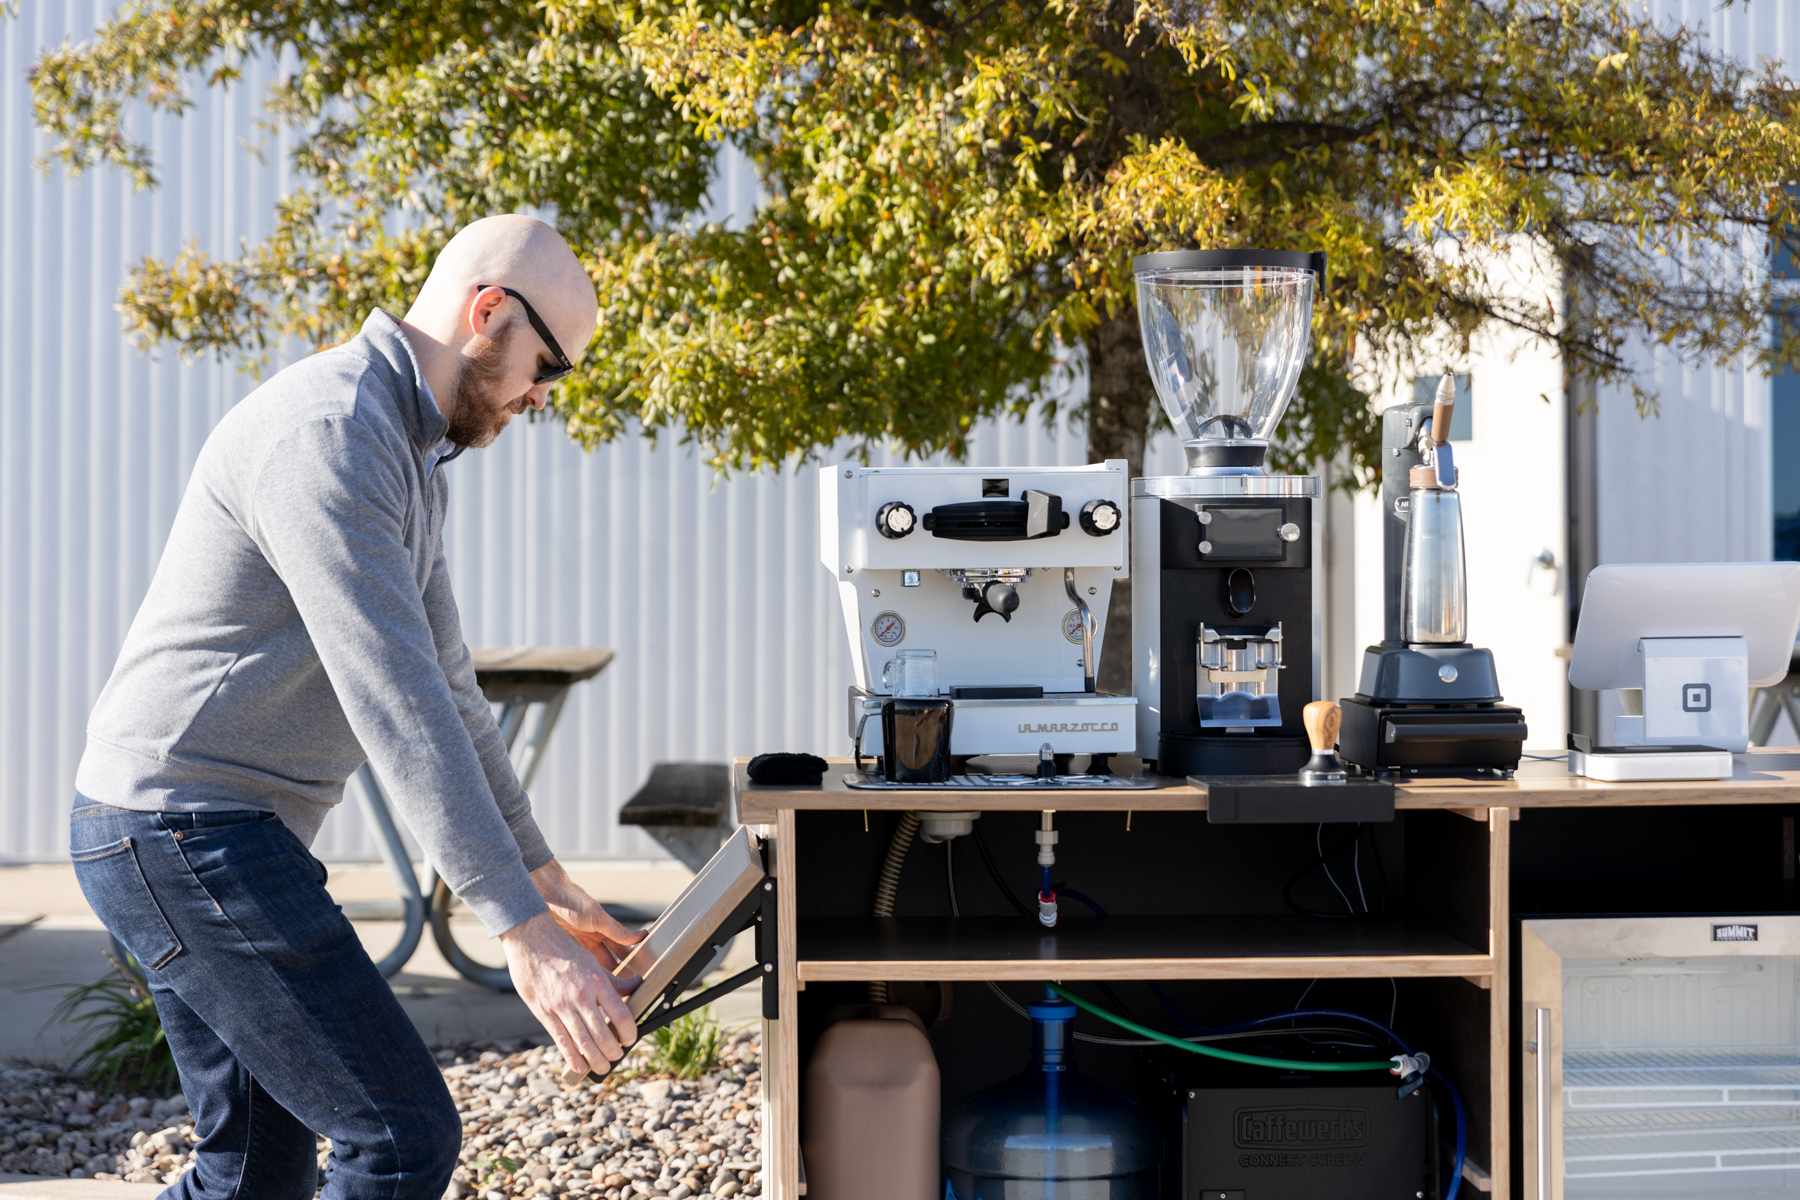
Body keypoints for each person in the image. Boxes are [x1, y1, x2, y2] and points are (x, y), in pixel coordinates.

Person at [70, 214, 640, 1200]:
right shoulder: (331, 435)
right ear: (488, 311)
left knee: (249, 1171)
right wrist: (520, 933)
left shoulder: (405, 447)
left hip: (199, 833)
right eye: (548, 366)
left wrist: (551, 886)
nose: (542, 396)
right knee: (401, 1134)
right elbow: (397, 701)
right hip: (179, 828)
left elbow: (452, 690)